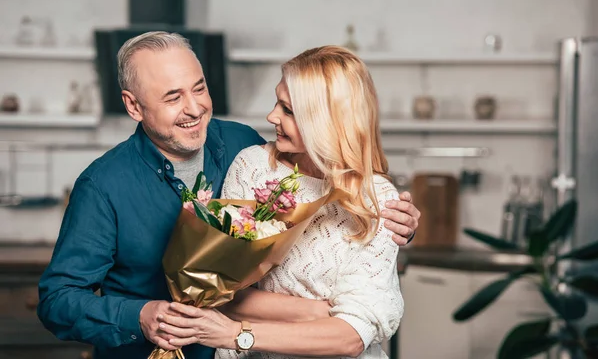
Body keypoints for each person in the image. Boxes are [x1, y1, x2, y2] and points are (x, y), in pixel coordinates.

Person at [37, 32, 420, 359]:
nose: (195, 109)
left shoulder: (244, 147)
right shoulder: (103, 185)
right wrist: (137, 316)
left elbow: (321, 177)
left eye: (199, 88)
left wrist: (396, 222)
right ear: (134, 105)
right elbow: (57, 300)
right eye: (173, 98)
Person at [156, 46, 405, 358]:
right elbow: (220, 294)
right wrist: (318, 313)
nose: (271, 116)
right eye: (278, 102)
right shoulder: (253, 165)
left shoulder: (375, 199)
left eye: (288, 110)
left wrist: (237, 333)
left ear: (327, 120)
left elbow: (351, 338)